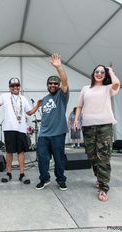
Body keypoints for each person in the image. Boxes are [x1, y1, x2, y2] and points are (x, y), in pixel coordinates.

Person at [74, 65, 120, 202]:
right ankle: (99, 178)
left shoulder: (108, 88)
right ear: (93, 74)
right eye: (97, 71)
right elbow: (80, 106)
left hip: (105, 125)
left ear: (105, 75)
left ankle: (103, 187)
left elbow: (117, 83)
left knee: (104, 156)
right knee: (92, 155)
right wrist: (76, 119)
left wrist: (110, 70)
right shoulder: (85, 89)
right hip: (88, 126)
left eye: (102, 72)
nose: (99, 74)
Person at [0, 78, 41, 184]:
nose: (15, 87)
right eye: (12, 86)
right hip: (9, 128)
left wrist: (37, 106)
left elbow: (29, 112)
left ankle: (21, 174)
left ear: (19, 86)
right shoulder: (4, 96)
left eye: (17, 85)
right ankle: (8, 173)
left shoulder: (23, 98)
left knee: (21, 152)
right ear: (9, 87)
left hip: (21, 129)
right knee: (9, 151)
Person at [35, 53, 69, 191]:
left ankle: (60, 179)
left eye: (56, 83)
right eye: (51, 83)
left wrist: (59, 67)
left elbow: (65, 82)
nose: (53, 85)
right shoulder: (44, 98)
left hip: (58, 133)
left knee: (59, 159)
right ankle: (44, 179)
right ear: (47, 85)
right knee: (42, 159)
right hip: (43, 134)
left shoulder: (62, 95)